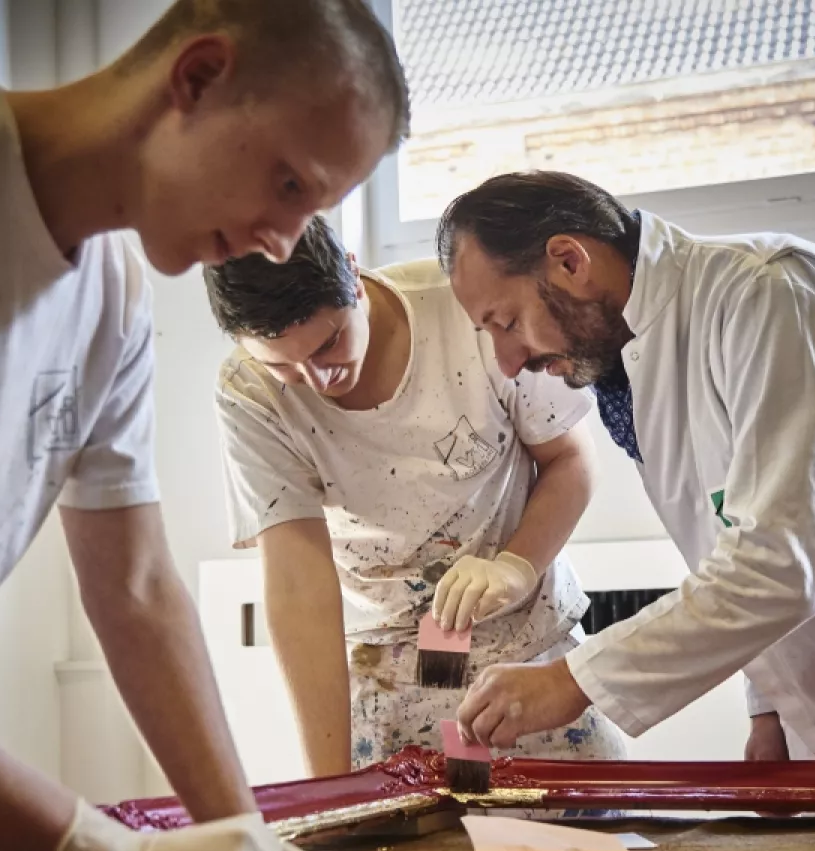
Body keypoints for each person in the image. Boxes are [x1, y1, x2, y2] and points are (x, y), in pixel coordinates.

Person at [0, 0, 438, 851]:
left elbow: (138, 588)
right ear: (196, 80)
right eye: (289, 184)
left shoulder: (112, 296)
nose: (280, 241)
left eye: (312, 213)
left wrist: (244, 838)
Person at [440, 170, 815, 762]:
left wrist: (574, 680)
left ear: (569, 260)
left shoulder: (769, 294)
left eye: (507, 323)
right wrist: (769, 708)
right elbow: (735, 532)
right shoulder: (633, 363)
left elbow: (779, 563)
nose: (509, 363)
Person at [206, 216, 627, 777]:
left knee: (594, 845)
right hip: (387, 667)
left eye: (329, 343)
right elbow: (298, 583)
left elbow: (570, 460)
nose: (318, 379)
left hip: (528, 647)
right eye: (283, 365)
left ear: (354, 278)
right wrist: (327, 788)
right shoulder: (247, 394)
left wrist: (516, 566)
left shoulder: (467, 312)